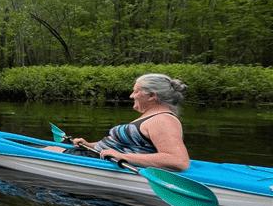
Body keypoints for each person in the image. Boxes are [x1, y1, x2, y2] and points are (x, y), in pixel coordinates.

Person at [46, 73, 190, 172]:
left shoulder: (163, 120)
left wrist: (122, 157)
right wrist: (89, 144)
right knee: (50, 148)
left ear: (152, 95)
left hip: (105, 162)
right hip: (96, 155)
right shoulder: (154, 117)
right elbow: (126, 145)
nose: (131, 96)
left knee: (48, 150)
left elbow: (178, 161)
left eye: (136, 92)